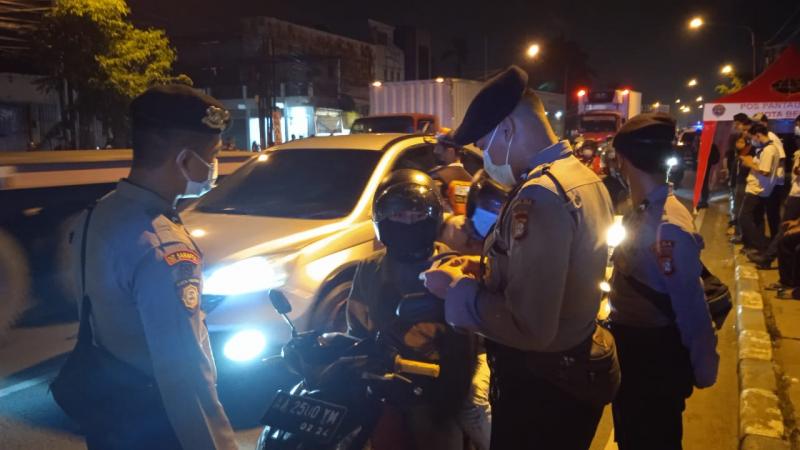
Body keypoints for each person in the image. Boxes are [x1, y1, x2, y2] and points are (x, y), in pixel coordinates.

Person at [423, 66, 618, 450]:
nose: (487, 157)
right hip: (569, 376)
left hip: (542, 388)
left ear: (507, 131)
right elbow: (558, 270)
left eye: (484, 144)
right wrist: (481, 268)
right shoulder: (579, 176)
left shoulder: (541, 196)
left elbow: (532, 326)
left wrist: (457, 291)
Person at [65, 85, 237, 449]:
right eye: (214, 155)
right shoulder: (163, 247)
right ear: (184, 160)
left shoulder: (100, 213)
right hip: (156, 425)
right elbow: (184, 375)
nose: (215, 166)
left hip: (111, 414)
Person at [606, 113, 719, 449]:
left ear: (623, 160)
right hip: (636, 354)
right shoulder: (644, 209)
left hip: (652, 363)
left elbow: (691, 308)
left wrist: (704, 368)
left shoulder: (667, 226)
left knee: (652, 439)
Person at [346, 169, 479, 450]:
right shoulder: (371, 267)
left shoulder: (449, 267)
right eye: (399, 216)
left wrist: (448, 395)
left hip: (434, 392)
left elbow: (466, 345)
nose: (409, 223)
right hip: (383, 387)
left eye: (417, 216)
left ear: (432, 220)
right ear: (383, 220)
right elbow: (356, 326)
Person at [740, 123, 782, 255]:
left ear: (758, 135)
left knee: (744, 217)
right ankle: (758, 246)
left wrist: (749, 163)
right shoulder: (766, 149)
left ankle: (761, 244)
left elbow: (765, 171)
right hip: (758, 188)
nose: (753, 140)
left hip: (757, 188)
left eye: (753, 137)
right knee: (756, 218)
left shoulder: (769, 150)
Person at [430, 128, 473, 213]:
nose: (435, 151)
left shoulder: (438, 177)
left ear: (450, 151)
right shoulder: (471, 179)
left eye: (439, 147)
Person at [729, 113, 755, 244]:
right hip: (738, 178)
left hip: (745, 180)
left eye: (738, 124)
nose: (736, 127)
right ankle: (740, 233)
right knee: (737, 207)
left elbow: (749, 161)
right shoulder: (740, 140)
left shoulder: (752, 144)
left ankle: (743, 236)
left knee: (741, 210)